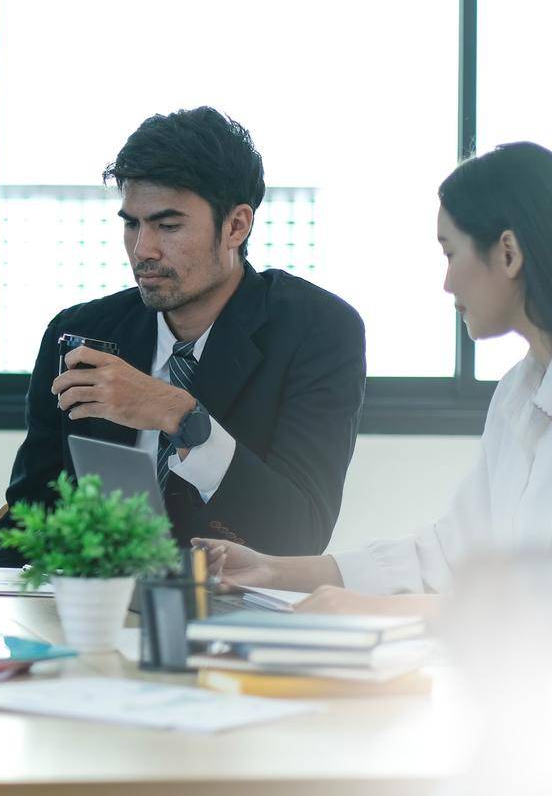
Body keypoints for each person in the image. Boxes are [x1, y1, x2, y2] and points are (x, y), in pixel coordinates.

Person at [0, 107, 367, 565]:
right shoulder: (79, 334)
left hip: (234, 618)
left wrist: (180, 414)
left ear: (236, 225)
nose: (143, 249)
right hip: (97, 615)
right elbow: (29, 520)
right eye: (131, 223)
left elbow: (300, 534)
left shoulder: (317, 331)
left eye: (168, 225)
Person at [198, 142, 552, 617]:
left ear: (508, 253)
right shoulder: (518, 391)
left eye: (450, 254)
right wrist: (274, 570)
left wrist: (373, 610)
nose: (447, 284)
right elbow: (446, 556)